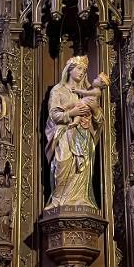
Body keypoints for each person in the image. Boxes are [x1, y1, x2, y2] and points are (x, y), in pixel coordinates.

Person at [44, 56, 105, 209]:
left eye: (84, 70)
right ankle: (58, 201)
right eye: (79, 69)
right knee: (62, 162)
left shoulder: (88, 92)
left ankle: (80, 199)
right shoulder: (58, 90)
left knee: (82, 169)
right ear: (69, 69)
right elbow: (54, 115)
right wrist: (72, 113)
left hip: (84, 136)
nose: (82, 73)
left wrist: (95, 110)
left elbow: (99, 121)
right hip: (64, 134)